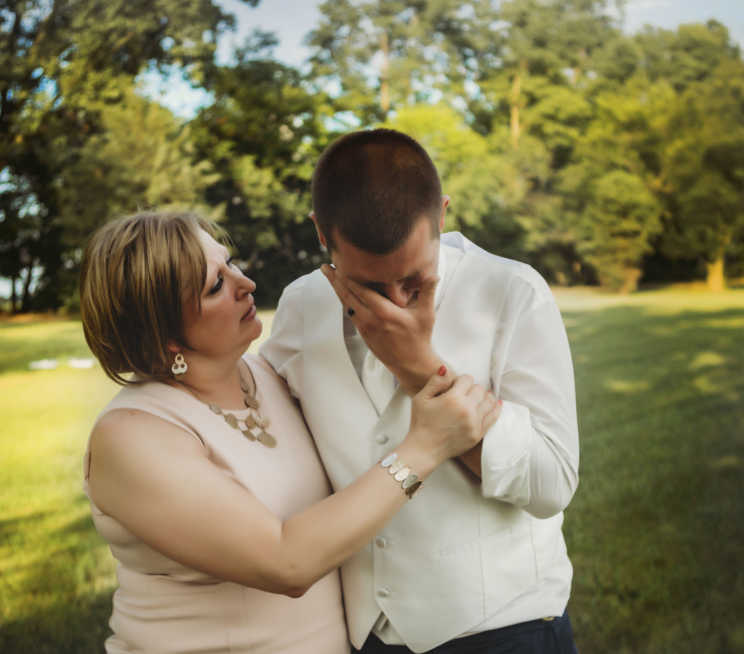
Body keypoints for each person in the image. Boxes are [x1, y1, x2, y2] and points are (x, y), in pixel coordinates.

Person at [78, 210, 501, 654]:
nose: (246, 285)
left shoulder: (272, 377)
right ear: (164, 335)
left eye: (230, 264)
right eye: (216, 285)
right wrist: (424, 448)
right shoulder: (133, 437)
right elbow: (285, 562)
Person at [261, 128, 580, 654]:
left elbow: (551, 484)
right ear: (321, 233)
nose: (393, 304)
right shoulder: (300, 307)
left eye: (413, 280)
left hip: (506, 629)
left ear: (443, 216)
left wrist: (418, 370)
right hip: (368, 635)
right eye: (367, 285)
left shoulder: (512, 292)